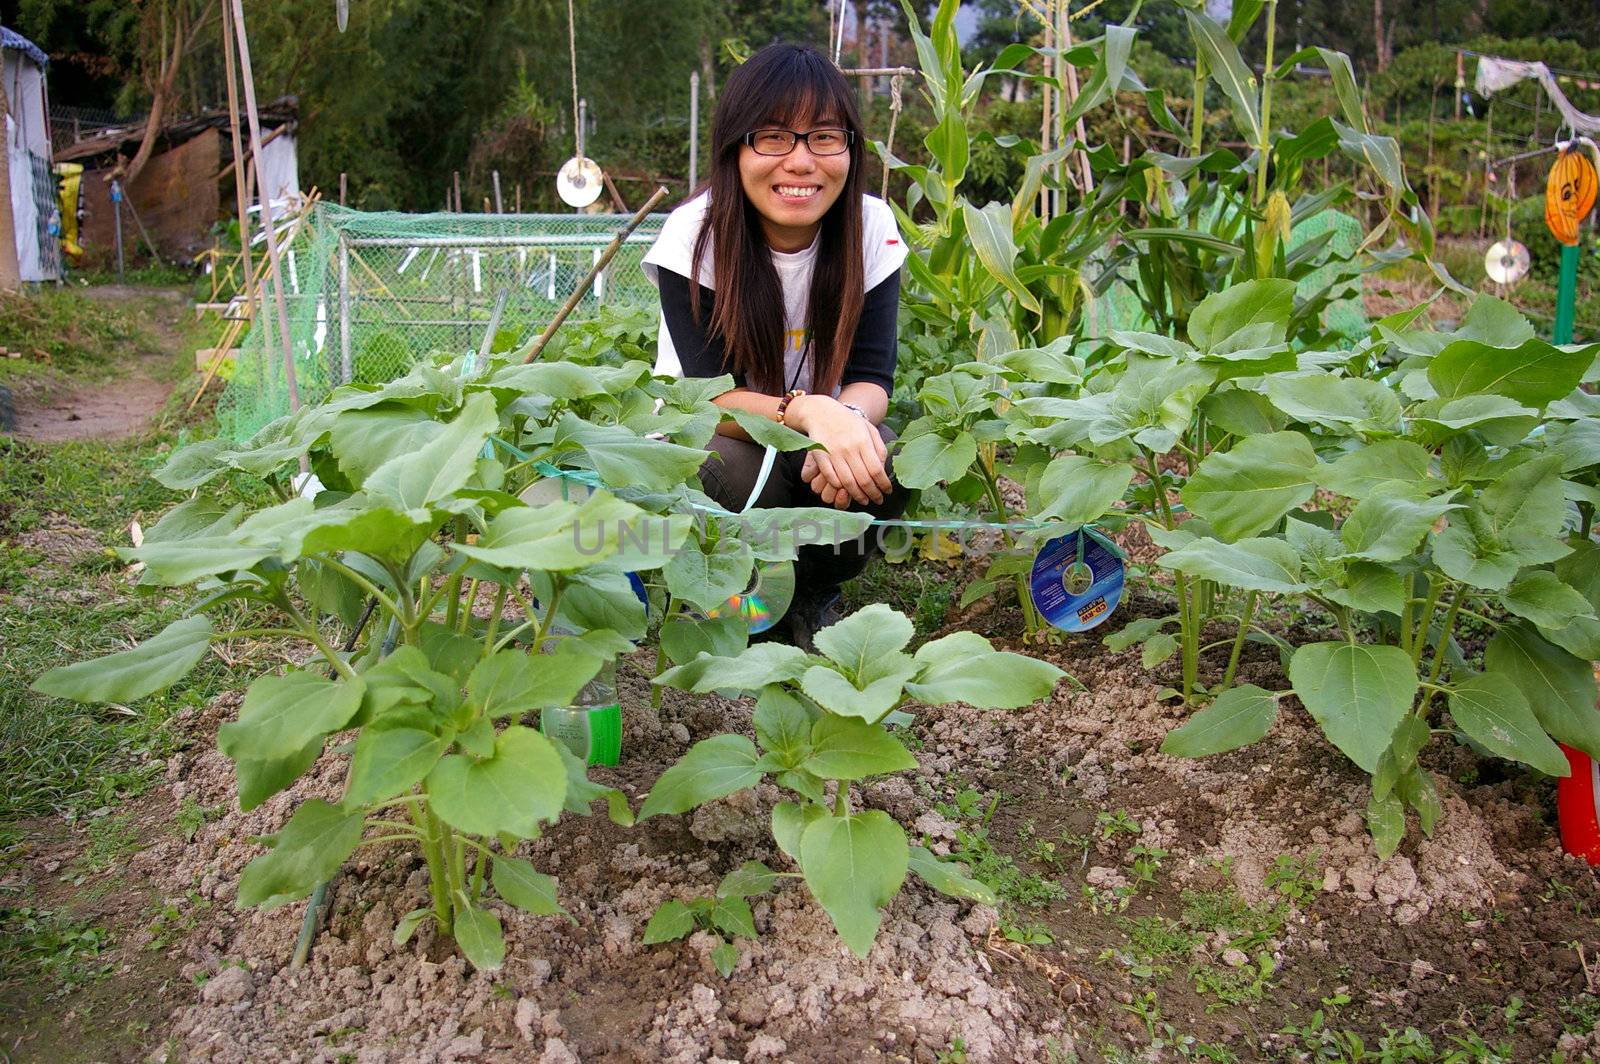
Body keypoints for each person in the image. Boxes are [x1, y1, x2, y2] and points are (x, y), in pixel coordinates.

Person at [643, 41, 910, 649]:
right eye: (772, 137)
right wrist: (808, 411)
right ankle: (739, 604)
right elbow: (707, 397)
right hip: (713, 433)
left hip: (810, 430)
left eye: (823, 137)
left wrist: (842, 423)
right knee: (730, 474)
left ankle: (813, 592)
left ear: (849, 149)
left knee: (879, 459)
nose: (800, 162)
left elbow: (872, 376)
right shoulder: (696, 232)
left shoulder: (871, 227)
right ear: (736, 149)